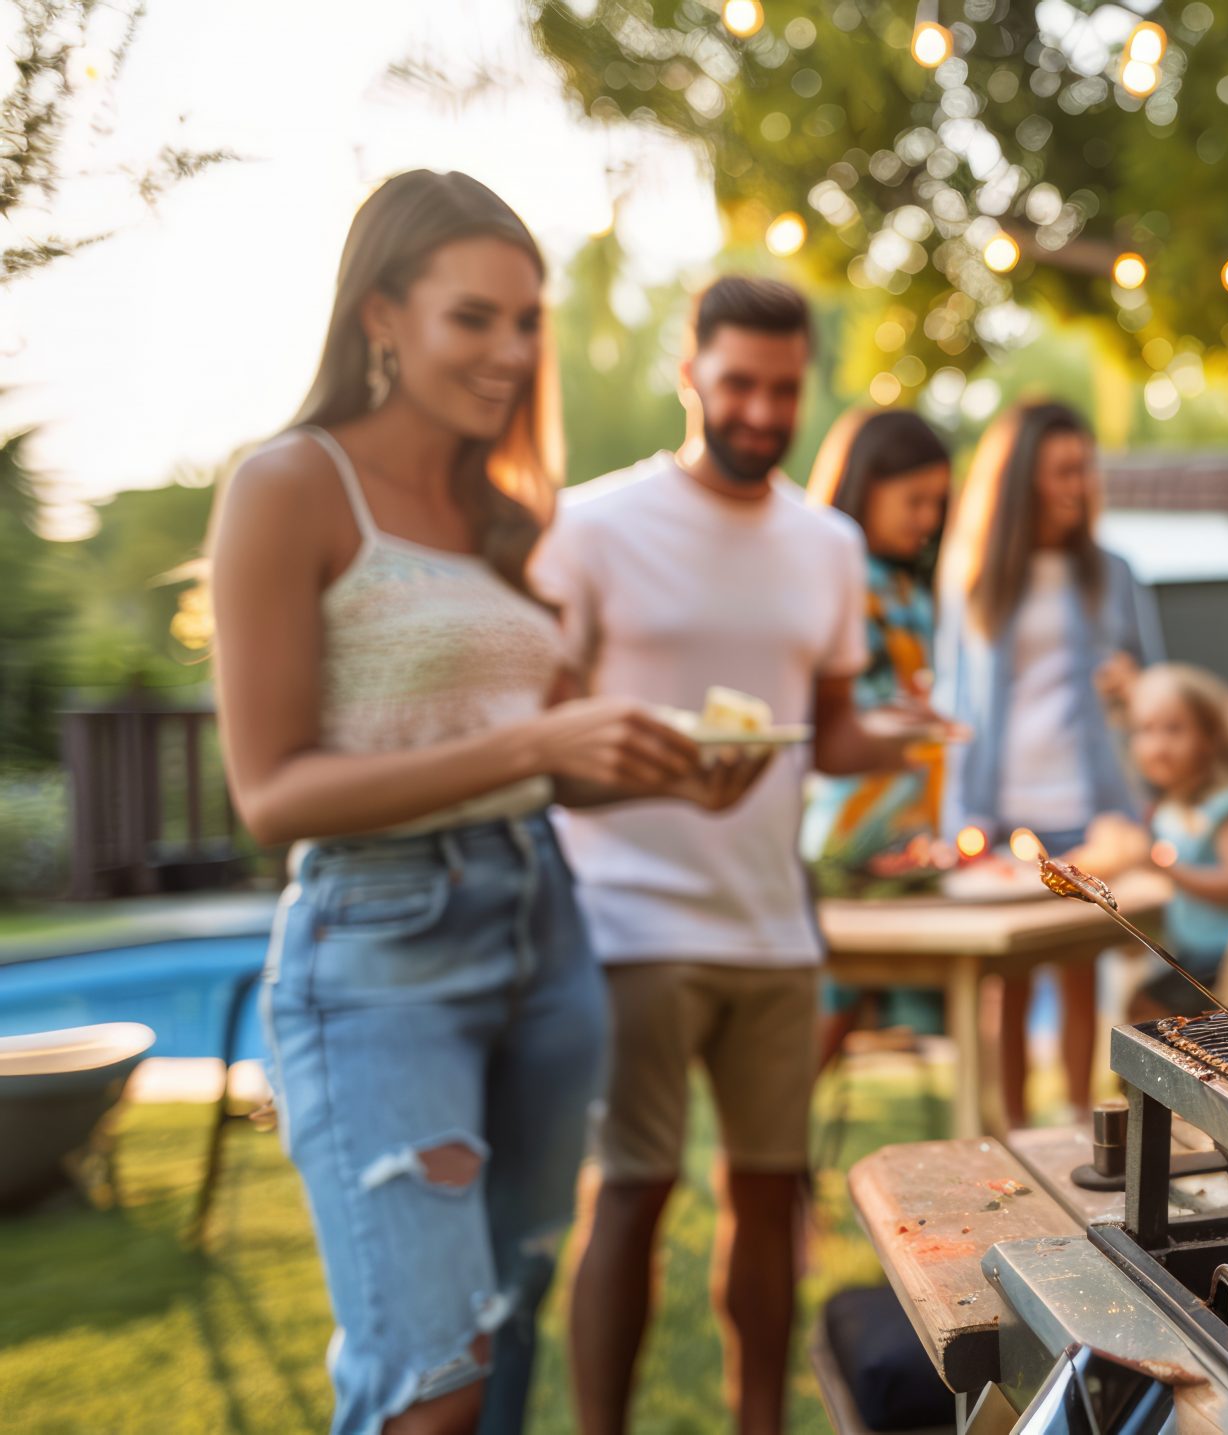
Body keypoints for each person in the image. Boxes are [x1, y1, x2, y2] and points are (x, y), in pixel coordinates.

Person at [209, 170, 756, 1435]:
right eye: (476, 318)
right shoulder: (289, 486)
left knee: (504, 1338)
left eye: (527, 321)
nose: (512, 351)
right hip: (381, 949)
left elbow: (542, 765)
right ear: (381, 316)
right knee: (430, 1381)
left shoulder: (504, 518)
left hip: (541, 928)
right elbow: (271, 792)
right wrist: (543, 738)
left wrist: (667, 768)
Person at [542, 276, 914, 1435]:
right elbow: (542, 737)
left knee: (770, 1191)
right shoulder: (592, 524)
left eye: (783, 389)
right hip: (628, 917)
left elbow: (828, 727)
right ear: (689, 370)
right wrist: (653, 766)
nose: (761, 410)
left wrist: (898, 734)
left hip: (771, 921)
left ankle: (762, 1422)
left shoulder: (828, 543)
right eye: (738, 382)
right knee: (634, 1193)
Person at [935, 399, 1162, 1129]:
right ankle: (1007, 1133)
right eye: (1063, 469)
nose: (1080, 483)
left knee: (1077, 970)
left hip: (1088, 803)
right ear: (1021, 477)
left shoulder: (1113, 573)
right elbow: (954, 702)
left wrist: (1134, 687)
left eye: (1084, 467)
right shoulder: (975, 579)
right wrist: (955, 816)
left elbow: (1157, 688)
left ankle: (1070, 1119)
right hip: (1001, 808)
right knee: (1005, 977)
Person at [801, 407, 954, 1062]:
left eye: (938, 503)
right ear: (864, 484)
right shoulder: (835, 572)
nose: (927, 518)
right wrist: (908, 719)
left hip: (908, 832)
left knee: (858, 1019)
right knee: (826, 1016)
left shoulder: (908, 586)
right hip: (847, 833)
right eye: (914, 499)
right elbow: (833, 705)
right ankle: (771, 1153)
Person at [1118, 664, 1228, 1021]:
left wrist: (1170, 871)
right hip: (1193, 953)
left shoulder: (1222, 805)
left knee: (1143, 1011)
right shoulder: (1165, 810)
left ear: (1209, 737)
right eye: (1146, 730)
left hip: (1226, 958)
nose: (1158, 745)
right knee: (1139, 1005)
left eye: (1174, 729)